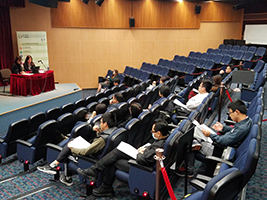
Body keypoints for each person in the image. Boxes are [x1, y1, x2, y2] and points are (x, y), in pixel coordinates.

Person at [77, 120, 169, 197]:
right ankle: (101, 180)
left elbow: (143, 160)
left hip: (141, 167)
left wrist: (141, 152)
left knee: (113, 159)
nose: (151, 133)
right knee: (116, 153)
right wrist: (144, 150)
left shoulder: (159, 146)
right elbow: (150, 153)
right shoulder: (164, 139)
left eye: (153, 132)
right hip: (145, 161)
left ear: (159, 133)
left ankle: (102, 182)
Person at [177, 99, 252, 177]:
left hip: (219, 150)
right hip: (223, 147)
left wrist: (210, 135)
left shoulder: (242, 128)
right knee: (196, 138)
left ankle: (189, 171)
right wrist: (223, 128)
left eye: (230, 113)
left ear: (237, 112)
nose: (229, 115)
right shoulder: (247, 121)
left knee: (190, 143)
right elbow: (234, 131)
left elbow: (223, 141)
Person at [37, 112, 117, 186]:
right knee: (72, 141)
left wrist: (72, 149)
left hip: (90, 159)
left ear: (106, 124)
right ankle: (54, 164)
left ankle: (64, 175)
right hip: (99, 156)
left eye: (101, 122)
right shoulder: (114, 131)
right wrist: (99, 132)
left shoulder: (102, 139)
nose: (99, 123)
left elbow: (86, 152)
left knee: (68, 148)